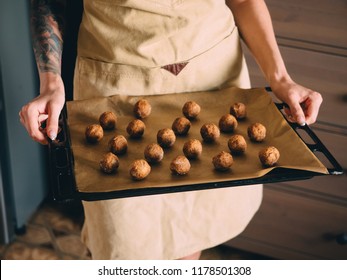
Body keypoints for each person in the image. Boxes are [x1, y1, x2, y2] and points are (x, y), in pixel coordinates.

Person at [20, 0, 322, 260]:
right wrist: (50, 82)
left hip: (211, 78)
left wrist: (280, 77)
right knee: (121, 239)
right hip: (116, 84)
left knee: (189, 232)